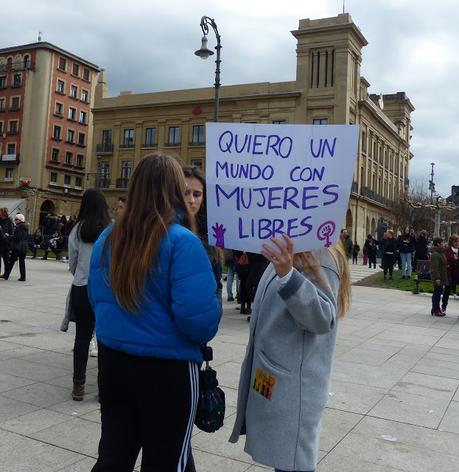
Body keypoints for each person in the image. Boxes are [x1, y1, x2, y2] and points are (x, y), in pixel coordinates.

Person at [88, 154, 221, 471]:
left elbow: (96, 298)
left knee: (113, 456)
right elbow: (198, 322)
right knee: (167, 460)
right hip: (167, 371)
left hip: (113, 361)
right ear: (174, 190)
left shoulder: (107, 237)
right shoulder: (183, 242)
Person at [230, 234, 351, 472]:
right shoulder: (295, 248)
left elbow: (322, 318)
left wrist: (287, 274)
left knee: (294, 463)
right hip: (279, 379)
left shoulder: (321, 252)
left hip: (295, 384)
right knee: (286, 461)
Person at [68, 189, 111, 401]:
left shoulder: (77, 229)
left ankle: (78, 385)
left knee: (82, 337)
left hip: (81, 288)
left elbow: (72, 263)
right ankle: (104, 387)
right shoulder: (111, 230)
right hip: (105, 289)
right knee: (104, 339)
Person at [183, 165, 223, 303]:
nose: (191, 200)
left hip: (204, 319)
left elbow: (217, 283)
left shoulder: (210, 232)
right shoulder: (164, 231)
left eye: (197, 194)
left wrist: (215, 311)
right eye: (185, 193)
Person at [1, 214, 29, 281]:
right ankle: (23, 277)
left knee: (11, 262)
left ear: (20, 220)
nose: (15, 221)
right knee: (22, 262)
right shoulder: (25, 227)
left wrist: (9, 236)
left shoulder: (19, 227)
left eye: (16, 219)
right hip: (24, 246)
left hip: (17, 247)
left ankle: (6, 275)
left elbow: (17, 237)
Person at [441, 234, 459, 315]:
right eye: (455, 241)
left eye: (458, 241)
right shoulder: (447, 250)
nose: (457, 243)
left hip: (458, 274)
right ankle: (444, 307)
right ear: (451, 242)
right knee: (447, 291)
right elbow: (445, 262)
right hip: (450, 274)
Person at [430, 237, 448, 317]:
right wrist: (437, 278)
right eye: (442, 243)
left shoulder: (440, 252)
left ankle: (436, 308)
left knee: (438, 292)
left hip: (441, 276)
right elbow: (435, 267)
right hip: (438, 277)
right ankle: (435, 309)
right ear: (438, 244)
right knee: (437, 293)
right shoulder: (435, 254)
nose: (443, 244)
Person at [0, 207, 14, 273]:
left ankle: (6, 273)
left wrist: (7, 234)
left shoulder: (9, 221)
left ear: (3, 213)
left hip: (6, 242)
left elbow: (11, 232)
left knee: (6, 259)